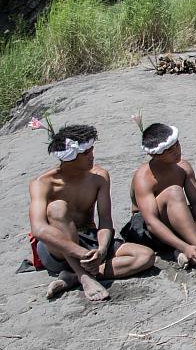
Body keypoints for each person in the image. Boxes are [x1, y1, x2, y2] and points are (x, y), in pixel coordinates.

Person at [28, 122, 154, 301]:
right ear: (70, 157)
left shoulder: (99, 177)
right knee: (57, 208)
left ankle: (74, 277)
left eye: (92, 149)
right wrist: (81, 253)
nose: (92, 155)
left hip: (90, 239)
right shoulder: (42, 183)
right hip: (57, 249)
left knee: (145, 256)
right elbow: (39, 229)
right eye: (86, 152)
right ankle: (84, 276)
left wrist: (101, 250)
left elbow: (105, 220)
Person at [121, 123, 196, 275]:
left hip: (179, 216)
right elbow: (152, 223)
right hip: (150, 230)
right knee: (174, 192)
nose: (177, 151)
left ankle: (188, 249)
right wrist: (185, 246)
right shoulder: (143, 177)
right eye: (170, 150)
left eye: (177, 145)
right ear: (155, 155)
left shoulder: (183, 167)